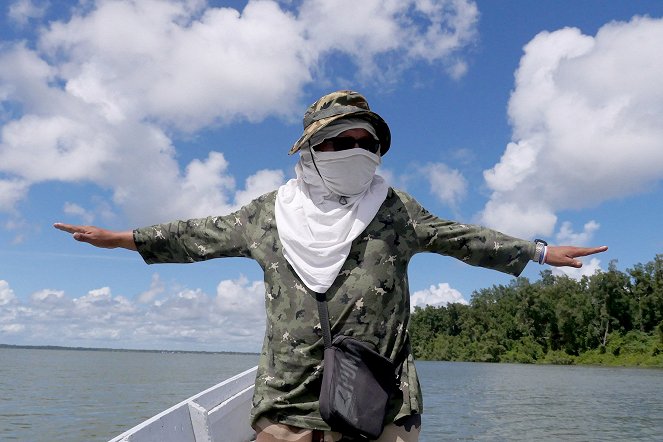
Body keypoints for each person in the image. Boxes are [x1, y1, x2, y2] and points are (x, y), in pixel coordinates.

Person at [55, 90, 608, 442]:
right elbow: (196, 235)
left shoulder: (395, 210)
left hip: (381, 402)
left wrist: (538, 252)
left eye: (368, 141)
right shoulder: (266, 214)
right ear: (311, 148)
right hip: (288, 400)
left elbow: (464, 239)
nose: (357, 148)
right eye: (341, 138)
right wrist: (126, 239)